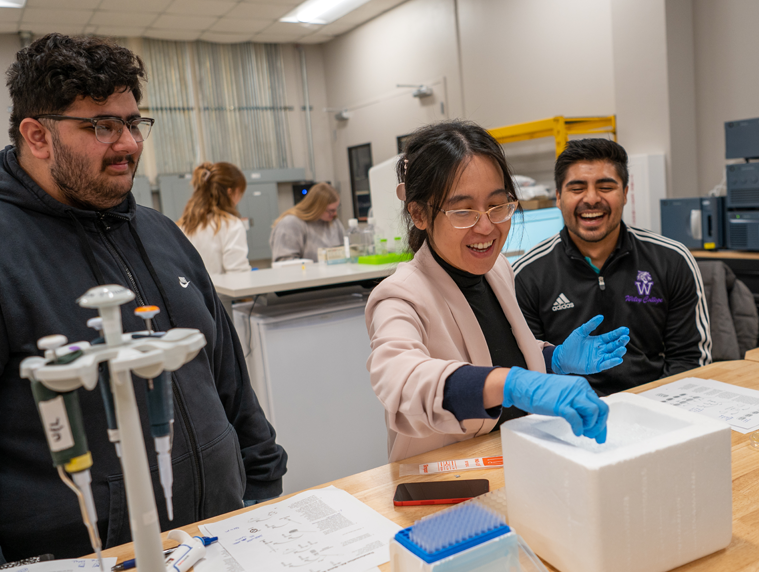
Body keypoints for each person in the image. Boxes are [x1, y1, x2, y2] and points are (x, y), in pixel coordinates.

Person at [0, 34, 286, 572]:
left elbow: (228, 381)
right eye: (102, 125)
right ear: (37, 135)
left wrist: (262, 491)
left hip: (222, 542)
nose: (128, 143)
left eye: (134, 122)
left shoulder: (160, 235)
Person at [365, 120, 630, 462]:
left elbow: (492, 352)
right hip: (447, 481)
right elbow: (401, 379)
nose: (487, 226)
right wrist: (513, 385)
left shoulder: (497, 268)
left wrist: (554, 360)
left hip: (511, 459)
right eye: (463, 211)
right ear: (419, 213)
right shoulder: (399, 296)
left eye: (497, 204)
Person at [513, 139, 711, 395]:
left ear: (626, 193)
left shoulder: (671, 259)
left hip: (657, 409)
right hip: (569, 414)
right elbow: (527, 371)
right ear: (559, 198)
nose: (592, 199)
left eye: (606, 187)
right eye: (577, 188)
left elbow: (689, 360)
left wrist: (658, 411)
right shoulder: (527, 275)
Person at [178, 161, 251, 274]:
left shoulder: (183, 225)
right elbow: (238, 274)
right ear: (230, 192)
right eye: (239, 193)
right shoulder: (231, 225)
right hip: (221, 292)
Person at [269, 182, 345, 262]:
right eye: (331, 210)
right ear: (316, 208)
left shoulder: (333, 222)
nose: (335, 213)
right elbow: (285, 261)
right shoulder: (291, 223)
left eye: (337, 208)